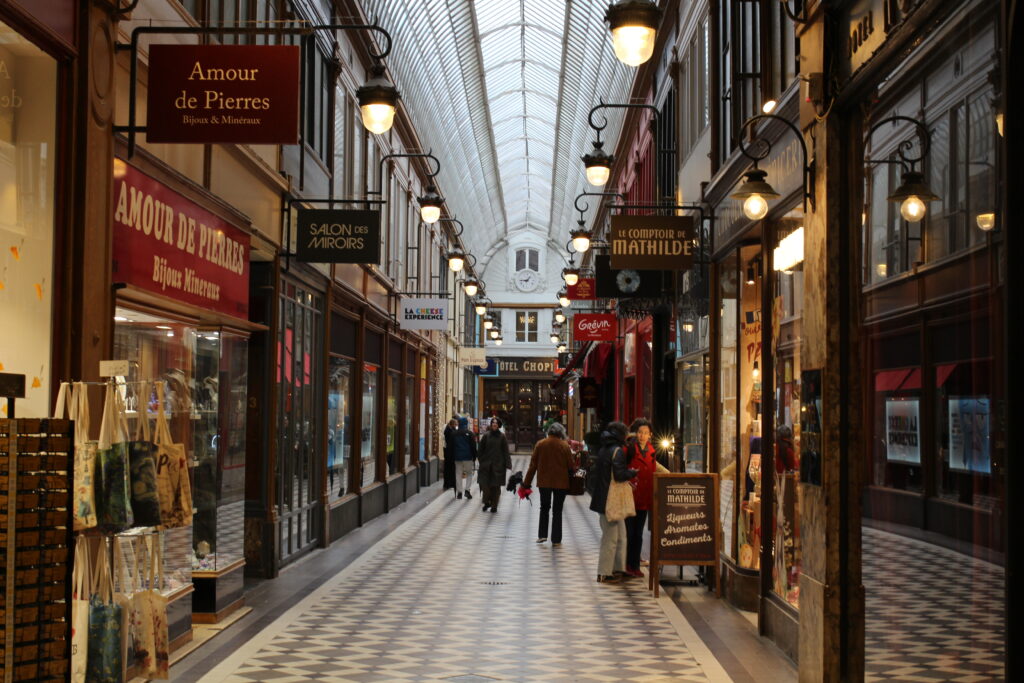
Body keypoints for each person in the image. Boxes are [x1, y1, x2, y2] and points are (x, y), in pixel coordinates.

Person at [587, 422, 636, 583]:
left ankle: (618, 568)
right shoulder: (617, 451)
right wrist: (633, 472)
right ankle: (604, 572)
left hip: (604, 497)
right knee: (611, 537)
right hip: (610, 499)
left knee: (621, 536)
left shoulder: (604, 449)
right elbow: (620, 474)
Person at [524, 423, 575, 545]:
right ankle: (556, 539)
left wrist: (526, 483)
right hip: (561, 483)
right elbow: (571, 466)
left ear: (549, 432)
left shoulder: (540, 444)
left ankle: (542, 535)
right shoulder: (564, 446)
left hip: (544, 482)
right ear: (561, 433)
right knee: (557, 510)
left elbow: (533, 466)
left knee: (544, 508)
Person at [624, 417, 657, 577]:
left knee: (638, 533)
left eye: (646, 433)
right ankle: (626, 564)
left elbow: (654, 471)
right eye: (640, 432)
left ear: (650, 435)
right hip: (630, 497)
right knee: (629, 533)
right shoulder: (629, 449)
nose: (643, 435)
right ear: (636, 434)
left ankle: (635, 564)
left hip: (644, 499)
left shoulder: (651, 451)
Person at [477, 418, 512, 512]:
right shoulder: (486, 436)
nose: (494, 424)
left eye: (496, 423)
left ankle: (494, 505)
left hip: (498, 465)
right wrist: (481, 460)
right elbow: (480, 449)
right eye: (493, 423)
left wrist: (508, 463)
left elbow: (506, 451)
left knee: (495, 486)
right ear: (491, 424)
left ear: (499, 425)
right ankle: (487, 502)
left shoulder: (502, 437)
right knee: (485, 485)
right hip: (486, 465)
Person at [452, 416, 477, 500]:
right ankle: (467, 490)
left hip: (457, 457)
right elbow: (473, 446)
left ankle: (459, 492)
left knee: (458, 474)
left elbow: (451, 446)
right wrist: (474, 456)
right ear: (466, 424)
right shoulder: (470, 434)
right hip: (468, 457)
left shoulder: (454, 434)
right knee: (469, 473)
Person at [443, 418, 458, 491]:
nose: (456, 425)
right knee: (449, 468)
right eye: (455, 424)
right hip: (449, 452)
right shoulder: (450, 431)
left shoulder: (450, 430)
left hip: (449, 452)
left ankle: (450, 483)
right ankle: (449, 483)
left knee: (450, 468)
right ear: (452, 424)